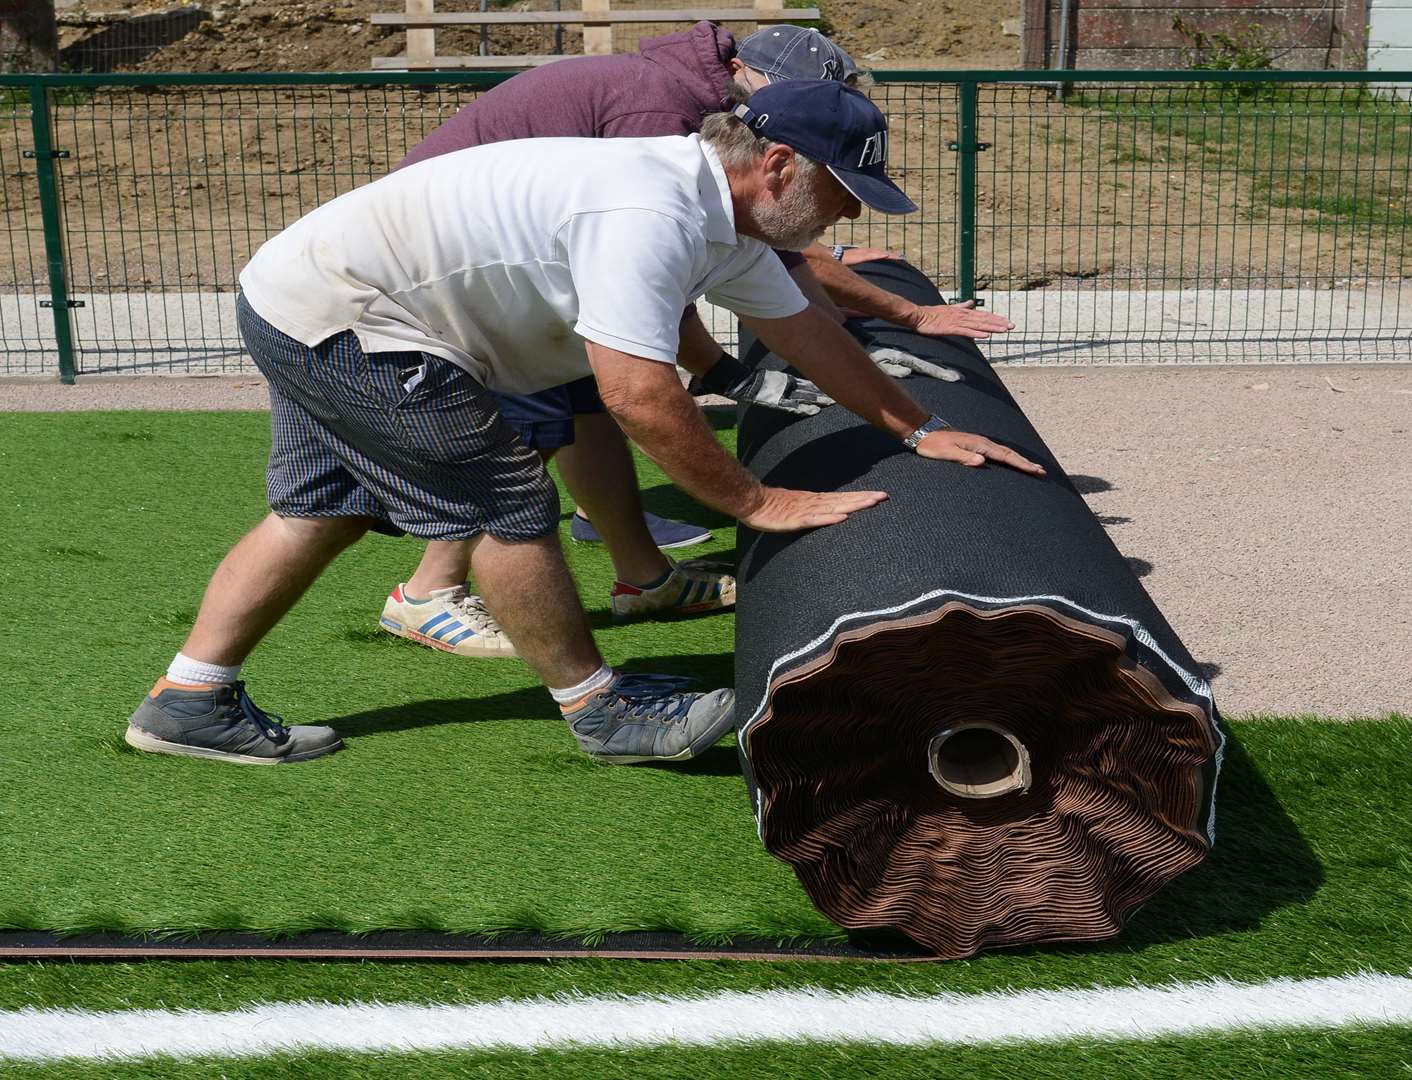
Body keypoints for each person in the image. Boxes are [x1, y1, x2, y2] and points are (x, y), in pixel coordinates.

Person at [124, 79, 1044, 768]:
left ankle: (188, 699)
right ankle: (603, 714)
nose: (843, 216)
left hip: (306, 296)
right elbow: (638, 397)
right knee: (507, 503)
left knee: (320, 509)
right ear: (776, 167)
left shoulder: (726, 219)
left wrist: (919, 430)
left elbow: (806, 332)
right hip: (352, 313)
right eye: (843, 195)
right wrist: (755, 502)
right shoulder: (647, 209)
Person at [377, 22, 1014, 659]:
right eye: (837, 192)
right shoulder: (659, 128)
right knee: (522, 450)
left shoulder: (716, 146)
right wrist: (746, 463)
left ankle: (644, 579)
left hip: (512, 270)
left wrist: (910, 399)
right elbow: (655, 284)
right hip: (440, 278)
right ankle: (435, 593)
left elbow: (768, 261)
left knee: (580, 407)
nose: (844, 212)